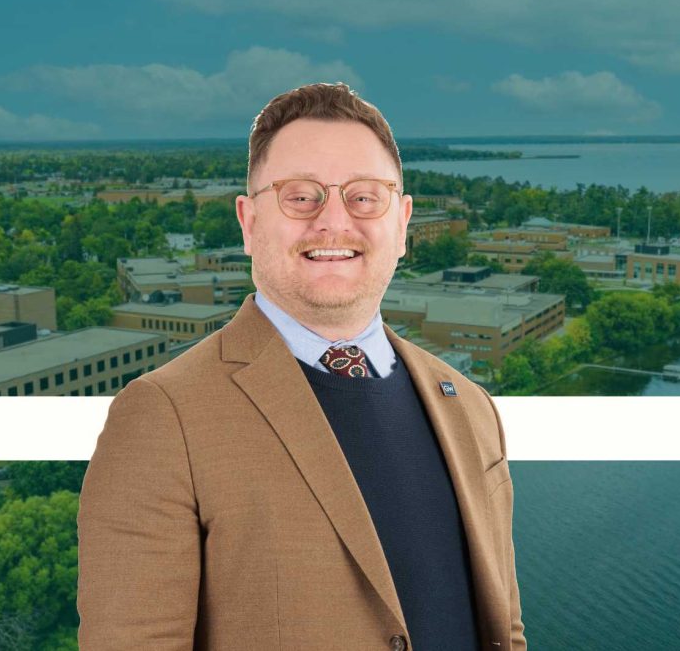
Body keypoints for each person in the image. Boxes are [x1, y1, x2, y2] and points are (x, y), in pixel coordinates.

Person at [77, 82, 526, 651]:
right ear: (248, 221)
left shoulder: (469, 406)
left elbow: (504, 628)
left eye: (365, 197)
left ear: (403, 224)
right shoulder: (163, 418)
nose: (333, 222)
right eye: (300, 196)